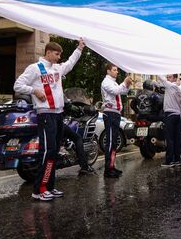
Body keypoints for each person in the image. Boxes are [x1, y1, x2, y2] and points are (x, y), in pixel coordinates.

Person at [14, 39, 92, 202]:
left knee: (54, 151)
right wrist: (34, 90)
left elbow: (70, 63)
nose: (58, 58)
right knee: (47, 151)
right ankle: (39, 189)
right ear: (48, 52)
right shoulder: (34, 68)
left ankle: (49, 186)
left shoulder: (57, 68)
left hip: (58, 114)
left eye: (59, 55)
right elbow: (18, 85)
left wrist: (79, 48)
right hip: (45, 114)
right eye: (56, 54)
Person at [101, 63, 132, 178]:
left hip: (115, 114)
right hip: (109, 113)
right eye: (114, 70)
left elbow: (123, 91)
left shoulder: (113, 82)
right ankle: (107, 169)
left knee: (113, 141)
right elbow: (115, 91)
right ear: (108, 71)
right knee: (110, 141)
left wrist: (127, 85)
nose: (117, 72)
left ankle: (111, 166)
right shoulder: (106, 82)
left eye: (117, 70)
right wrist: (124, 83)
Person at [158, 74, 181, 167]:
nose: (168, 78)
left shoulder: (170, 85)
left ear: (174, 78)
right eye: (168, 77)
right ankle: (177, 159)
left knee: (169, 138)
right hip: (177, 115)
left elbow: (161, 77)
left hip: (170, 114)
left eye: (169, 77)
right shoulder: (179, 89)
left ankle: (169, 160)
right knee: (177, 138)